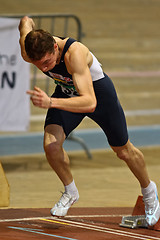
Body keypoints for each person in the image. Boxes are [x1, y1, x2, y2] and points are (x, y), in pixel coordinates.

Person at [19, 16, 160, 226]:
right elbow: (25, 23)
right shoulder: (29, 50)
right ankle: (70, 191)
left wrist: (50, 102)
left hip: (97, 96)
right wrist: (27, 23)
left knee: (123, 151)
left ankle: (149, 192)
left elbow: (89, 102)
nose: (45, 69)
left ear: (55, 49)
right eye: (39, 66)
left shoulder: (74, 54)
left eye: (47, 63)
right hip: (67, 92)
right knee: (51, 145)